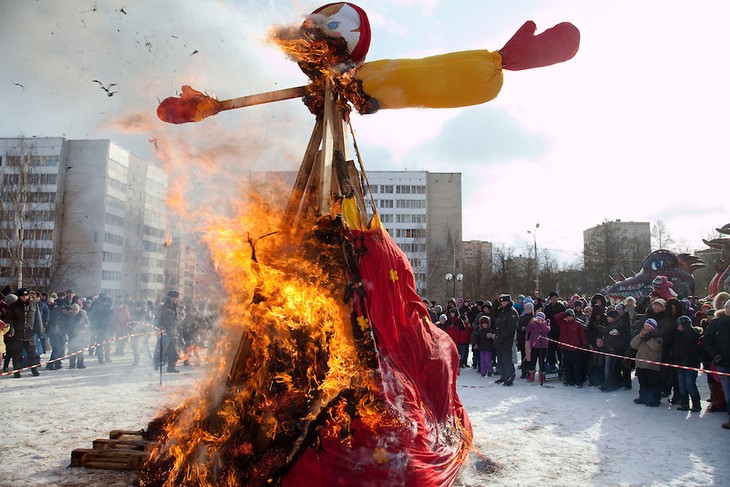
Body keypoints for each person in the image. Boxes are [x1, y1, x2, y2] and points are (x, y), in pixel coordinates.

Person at [703, 300, 730, 428]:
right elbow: (707, 339)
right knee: (728, 391)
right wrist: (716, 355)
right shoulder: (717, 323)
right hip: (723, 362)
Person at [667, 315, 702, 412]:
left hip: (691, 364)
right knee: (682, 386)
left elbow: (693, 338)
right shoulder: (677, 335)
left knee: (690, 385)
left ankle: (696, 404)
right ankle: (684, 403)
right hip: (679, 363)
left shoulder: (693, 334)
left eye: (680, 325)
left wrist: (686, 328)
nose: (678, 327)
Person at [6, 288, 43, 378]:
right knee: (17, 353)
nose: (25, 297)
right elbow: (9, 319)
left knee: (32, 354)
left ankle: (34, 369)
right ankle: (17, 371)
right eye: (23, 296)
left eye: (26, 296)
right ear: (19, 296)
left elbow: (38, 319)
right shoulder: (13, 307)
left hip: (30, 334)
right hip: (18, 334)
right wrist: (11, 330)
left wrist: (40, 329)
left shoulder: (34, 305)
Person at [630, 318, 664, 407]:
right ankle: (643, 397)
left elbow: (656, 347)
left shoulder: (657, 336)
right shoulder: (642, 335)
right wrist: (640, 336)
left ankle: (654, 400)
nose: (646, 328)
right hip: (641, 364)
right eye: (645, 326)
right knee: (642, 382)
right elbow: (633, 344)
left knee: (653, 384)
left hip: (651, 365)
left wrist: (648, 338)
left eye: (649, 326)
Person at [555, 308, 587, 387]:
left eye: (570, 316)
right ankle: (569, 380)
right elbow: (556, 317)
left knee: (576, 365)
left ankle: (578, 381)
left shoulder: (577, 324)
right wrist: (565, 313)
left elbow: (582, 335)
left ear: (573, 316)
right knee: (567, 365)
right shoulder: (563, 323)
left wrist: (584, 344)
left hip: (575, 348)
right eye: (567, 316)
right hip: (565, 348)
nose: (568, 317)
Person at [492, 294, 518, 386]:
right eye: (501, 302)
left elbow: (510, 328)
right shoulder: (501, 311)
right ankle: (503, 376)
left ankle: (509, 377)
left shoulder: (512, 312)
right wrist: (496, 302)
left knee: (507, 359)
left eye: (504, 302)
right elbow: (493, 314)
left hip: (506, 339)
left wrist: (501, 336)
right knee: (501, 359)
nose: (502, 304)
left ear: (508, 302)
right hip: (499, 338)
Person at [156, 290, 182, 373]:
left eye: (176, 298)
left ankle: (171, 367)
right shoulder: (163, 307)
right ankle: (155, 366)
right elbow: (157, 320)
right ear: (169, 297)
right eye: (174, 298)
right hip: (165, 332)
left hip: (173, 332)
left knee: (173, 352)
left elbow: (177, 319)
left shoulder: (175, 307)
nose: (175, 299)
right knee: (160, 350)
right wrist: (160, 328)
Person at [525, 311, 551, 384]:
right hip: (534, 345)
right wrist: (530, 323)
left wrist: (541, 323)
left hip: (543, 346)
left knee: (542, 361)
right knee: (533, 361)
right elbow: (528, 330)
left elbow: (546, 330)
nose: (538, 319)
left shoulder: (546, 323)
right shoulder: (534, 324)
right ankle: (531, 376)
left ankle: (541, 377)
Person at [543, 291, 566, 373]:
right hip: (550, 330)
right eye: (553, 298)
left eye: (556, 297)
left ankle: (562, 365)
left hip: (559, 330)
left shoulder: (561, 306)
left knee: (560, 349)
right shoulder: (547, 307)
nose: (554, 299)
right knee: (551, 349)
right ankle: (552, 364)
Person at [66, 303, 89, 369]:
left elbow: (87, 324)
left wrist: (83, 327)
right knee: (72, 351)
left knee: (80, 350)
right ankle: (72, 364)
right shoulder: (70, 316)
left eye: (76, 310)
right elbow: (68, 324)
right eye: (73, 310)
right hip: (71, 335)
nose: (74, 311)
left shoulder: (83, 315)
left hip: (80, 335)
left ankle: (80, 364)